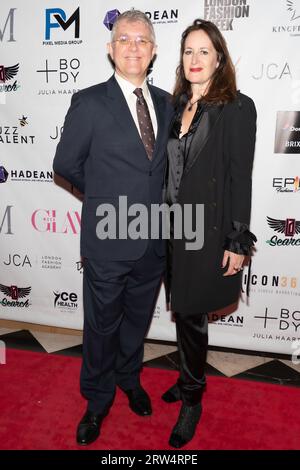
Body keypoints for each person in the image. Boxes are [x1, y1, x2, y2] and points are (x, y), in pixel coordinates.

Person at [53, 10, 172, 446]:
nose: (135, 47)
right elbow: (65, 164)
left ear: (154, 50)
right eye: (125, 39)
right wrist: (105, 199)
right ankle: (97, 399)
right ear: (110, 48)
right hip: (107, 238)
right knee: (101, 324)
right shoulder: (89, 101)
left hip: (154, 240)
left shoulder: (166, 102)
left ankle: (129, 379)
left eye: (143, 40)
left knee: (136, 320)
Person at [162, 19, 257, 448]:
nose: (195, 59)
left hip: (207, 231)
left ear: (219, 59)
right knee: (183, 311)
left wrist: (237, 240)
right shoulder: (174, 104)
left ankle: (193, 398)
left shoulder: (237, 107)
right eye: (188, 51)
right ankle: (187, 379)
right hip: (168, 229)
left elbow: (241, 178)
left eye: (204, 51)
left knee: (195, 316)